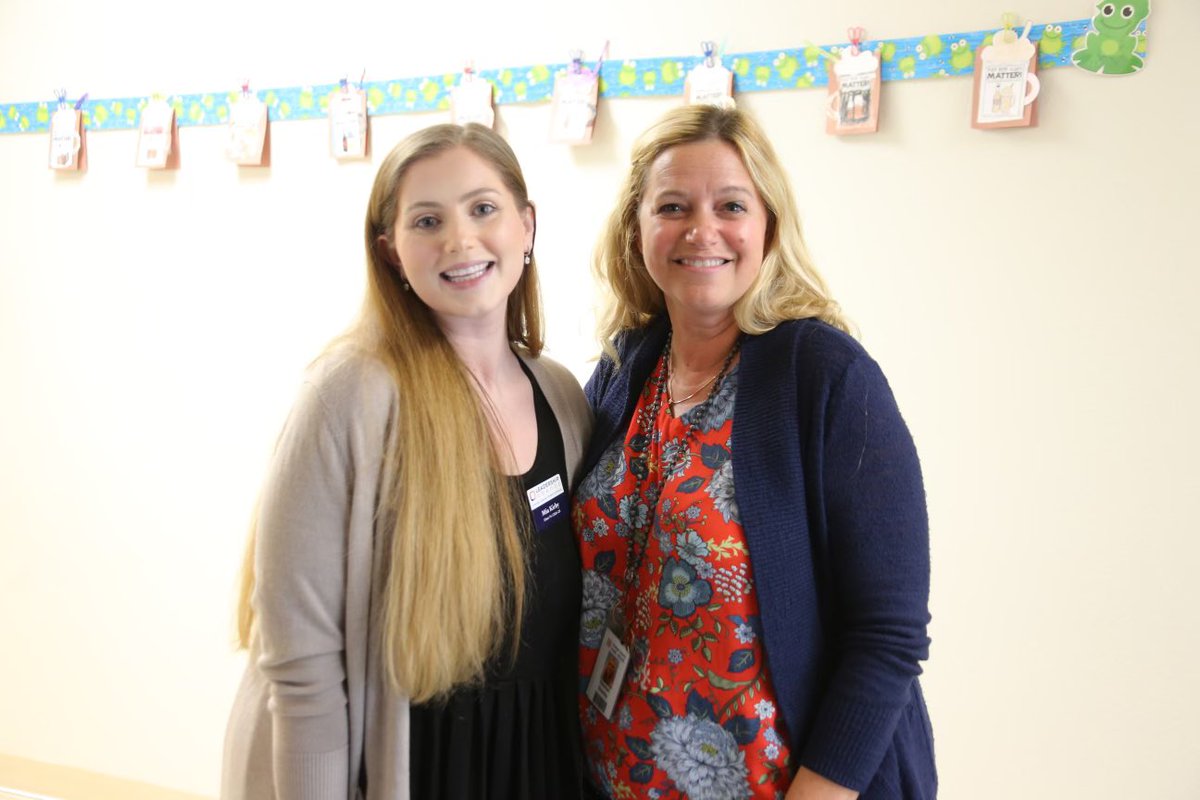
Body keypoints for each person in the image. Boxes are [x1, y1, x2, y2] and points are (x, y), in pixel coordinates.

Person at [573, 105, 935, 799]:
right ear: (637, 229)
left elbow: (887, 637)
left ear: (767, 224)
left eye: (730, 205)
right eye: (672, 206)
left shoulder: (826, 376)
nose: (700, 230)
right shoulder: (626, 370)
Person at [222, 122, 592, 800]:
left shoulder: (563, 397)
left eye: (483, 208)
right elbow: (302, 670)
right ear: (392, 252)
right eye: (428, 220)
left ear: (527, 226)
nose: (460, 239)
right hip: (412, 767)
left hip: (539, 760)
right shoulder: (351, 398)